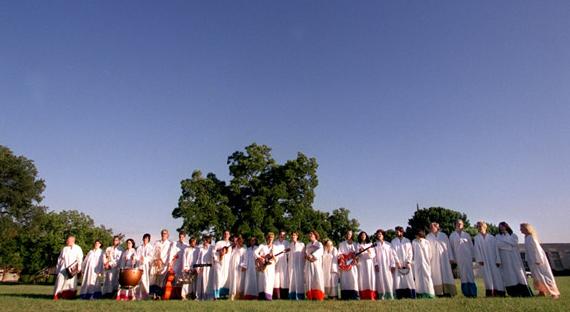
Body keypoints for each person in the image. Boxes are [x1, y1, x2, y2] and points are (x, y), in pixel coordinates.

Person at [520, 223, 560, 299]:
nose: (520, 230)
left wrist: (539, 259)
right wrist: (527, 259)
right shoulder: (526, 237)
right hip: (532, 260)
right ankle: (542, 291)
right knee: (537, 276)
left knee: (545, 276)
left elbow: (537, 248)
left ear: (526, 228)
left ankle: (554, 293)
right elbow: (527, 250)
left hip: (538, 260)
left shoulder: (532, 237)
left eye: (521, 228)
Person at [496, 222, 533, 297]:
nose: (501, 228)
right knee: (509, 274)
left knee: (518, 273)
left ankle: (524, 292)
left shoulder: (513, 235)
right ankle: (513, 293)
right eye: (500, 227)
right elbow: (498, 245)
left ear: (506, 227)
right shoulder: (497, 236)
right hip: (504, 257)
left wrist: (505, 243)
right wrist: (508, 245)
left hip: (514, 257)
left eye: (503, 226)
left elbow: (514, 243)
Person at [474, 221, 505, 297]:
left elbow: (496, 249)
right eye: (478, 226)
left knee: (496, 276)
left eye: (481, 226)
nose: (479, 227)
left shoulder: (492, 237)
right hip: (484, 260)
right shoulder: (477, 238)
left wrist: (498, 260)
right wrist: (479, 259)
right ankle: (490, 292)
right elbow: (476, 249)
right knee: (487, 276)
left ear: (485, 227)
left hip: (493, 259)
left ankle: (500, 292)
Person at [426, 222, 456, 297]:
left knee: (446, 274)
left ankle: (448, 292)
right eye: (430, 227)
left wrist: (451, 257)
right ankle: (439, 292)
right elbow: (427, 249)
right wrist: (428, 259)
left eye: (433, 226)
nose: (431, 228)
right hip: (434, 259)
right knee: (436, 275)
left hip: (444, 258)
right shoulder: (428, 236)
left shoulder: (443, 235)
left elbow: (448, 246)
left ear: (437, 227)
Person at [449, 219, 477, 298]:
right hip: (459, 258)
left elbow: (471, 246)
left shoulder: (467, 235)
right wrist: (452, 258)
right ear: (455, 225)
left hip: (468, 257)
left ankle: (473, 293)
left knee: (470, 275)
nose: (459, 225)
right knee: (463, 275)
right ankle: (466, 293)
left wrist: (473, 256)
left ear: (463, 225)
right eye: (457, 224)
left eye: (460, 224)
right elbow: (451, 248)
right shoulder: (452, 235)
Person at [53, 235, 83, 300]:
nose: (66, 241)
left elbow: (80, 259)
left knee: (71, 283)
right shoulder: (64, 248)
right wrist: (58, 269)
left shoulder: (78, 248)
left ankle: (69, 296)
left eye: (68, 240)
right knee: (60, 281)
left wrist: (79, 269)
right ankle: (57, 295)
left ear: (72, 240)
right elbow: (60, 259)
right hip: (63, 268)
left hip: (72, 269)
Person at [391, 226, 416, 299]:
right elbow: (393, 252)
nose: (397, 232)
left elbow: (410, 252)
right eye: (396, 231)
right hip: (398, 263)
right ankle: (400, 296)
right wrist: (397, 262)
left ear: (402, 232)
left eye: (398, 231)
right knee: (398, 280)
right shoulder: (393, 241)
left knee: (408, 279)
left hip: (406, 263)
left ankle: (410, 295)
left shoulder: (407, 240)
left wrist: (408, 262)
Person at [412, 229, 435, 298]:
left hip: (426, 262)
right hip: (417, 262)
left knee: (427, 276)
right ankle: (420, 294)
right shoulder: (414, 242)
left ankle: (429, 293)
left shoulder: (426, 242)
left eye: (417, 235)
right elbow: (413, 252)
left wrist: (428, 260)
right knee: (418, 278)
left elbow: (430, 253)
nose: (416, 236)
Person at [374, 229, 395, 300]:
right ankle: (382, 295)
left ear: (383, 235)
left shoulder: (388, 244)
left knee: (389, 279)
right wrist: (376, 264)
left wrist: (393, 265)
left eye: (380, 234)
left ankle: (390, 295)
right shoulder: (375, 244)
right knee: (380, 280)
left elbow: (391, 255)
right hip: (379, 265)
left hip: (388, 265)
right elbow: (374, 256)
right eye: (378, 234)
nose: (379, 235)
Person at [338, 230, 359, 300]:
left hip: (352, 265)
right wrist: (343, 258)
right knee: (344, 279)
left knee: (353, 278)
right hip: (344, 264)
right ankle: (345, 296)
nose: (348, 235)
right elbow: (339, 253)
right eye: (347, 234)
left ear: (352, 235)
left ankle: (354, 296)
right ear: (345, 235)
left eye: (350, 234)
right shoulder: (341, 244)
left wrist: (355, 259)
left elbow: (357, 253)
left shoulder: (355, 244)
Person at [255, 232, 277, 300]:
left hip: (270, 266)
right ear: (267, 238)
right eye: (269, 237)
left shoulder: (275, 247)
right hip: (263, 266)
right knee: (262, 281)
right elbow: (255, 252)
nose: (270, 239)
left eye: (272, 238)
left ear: (273, 239)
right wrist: (261, 258)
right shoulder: (262, 245)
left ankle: (268, 297)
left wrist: (273, 258)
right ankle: (261, 296)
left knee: (269, 281)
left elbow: (276, 259)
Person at [305, 230, 325, 300]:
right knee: (310, 279)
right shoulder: (308, 245)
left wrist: (312, 256)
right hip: (309, 264)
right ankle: (311, 296)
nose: (310, 236)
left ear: (315, 235)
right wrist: (307, 257)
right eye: (309, 234)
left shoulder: (319, 244)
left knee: (317, 279)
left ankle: (319, 296)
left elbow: (320, 252)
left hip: (316, 264)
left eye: (312, 234)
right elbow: (306, 253)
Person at [356, 231, 376, 300]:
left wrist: (368, 251)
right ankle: (363, 296)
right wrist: (359, 251)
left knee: (370, 278)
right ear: (360, 237)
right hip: (361, 263)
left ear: (366, 236)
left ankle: (371, 296)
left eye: (364, 235)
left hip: (369, 263)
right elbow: (357, 255)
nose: (363, 236)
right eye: (361, 235)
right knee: (362, 279)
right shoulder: (358, 245)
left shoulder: (370, 244)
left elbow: (373, 255)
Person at [213, 230, 232, 299]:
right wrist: (219, 254)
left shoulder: (231, 244)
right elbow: (213, 251)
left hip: (227, 264)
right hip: (219, 263)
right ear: (223, 235)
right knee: (218, 278)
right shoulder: (219, 242)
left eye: (227, 234)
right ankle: (216, 295)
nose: (226, 235)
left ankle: (224, 295)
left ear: (229, 235)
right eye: (225, 234)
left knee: (227, 279)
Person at [194, 235, 214, 300]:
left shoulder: (212, 248)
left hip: (209, 268)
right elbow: (199, 259)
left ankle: (208, 297)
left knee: (207, 282)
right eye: (204, 240)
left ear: (209, 241)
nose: (205, 242)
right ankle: (199, 296)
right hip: (201, 267)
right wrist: (197, 267)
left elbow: (213, 256)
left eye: (206, 240)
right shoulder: (201, 249)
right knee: (200, 282)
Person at [288, 231, 306, 300]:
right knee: (292, 279)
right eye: (292, 235)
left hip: (299, 265)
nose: (293, 236)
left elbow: (304, 255)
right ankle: (292, 296)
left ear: (297, 236)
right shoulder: (290, 245)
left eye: (294, 235)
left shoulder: (302, 244)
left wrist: (303, 264)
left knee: (299, 280)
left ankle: (300, 296)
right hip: (291, 265)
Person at [136, 233, 154, 300]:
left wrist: (145, 259)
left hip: (146, 266)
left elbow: (151, 256)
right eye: (144, 238)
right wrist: (137, 258)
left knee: (145, 280)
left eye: (146, 239)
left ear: (149, 240)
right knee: (138, 280)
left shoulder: (150, 247)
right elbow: (136, 256)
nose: (145, 240)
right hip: (139, 265)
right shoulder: (139, 247)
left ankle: (145, 295)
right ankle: (138, 295)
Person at [228, 235, 246, 300]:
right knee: (233, 281)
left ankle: (239, 295)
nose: (237, 242)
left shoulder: (243, 250)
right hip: (233, 267)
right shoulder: (234, 249)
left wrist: (243, 265)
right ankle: (232, 294)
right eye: (237, 241)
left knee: (239, 281)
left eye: (239, 241)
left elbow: (245, 259)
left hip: (239, 267)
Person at [273, 230, 289, 299]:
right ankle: (276, 295)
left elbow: (288, 253)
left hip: (284, 263)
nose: (282, 236)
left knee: (284, 279)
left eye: (284, 235)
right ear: (279, 235)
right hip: (276, 263)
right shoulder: (275, 243)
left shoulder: (287, 243)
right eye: (281, 235)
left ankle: (284, 296)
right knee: (276, 279)